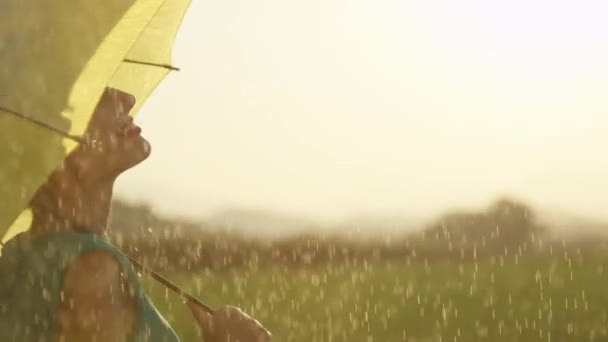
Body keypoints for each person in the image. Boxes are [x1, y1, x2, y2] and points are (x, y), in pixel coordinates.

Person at [0, 87, 272, 342]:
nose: (126, 99)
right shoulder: (93, 270)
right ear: (61, 156)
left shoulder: (22, 253)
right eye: (96, 92)